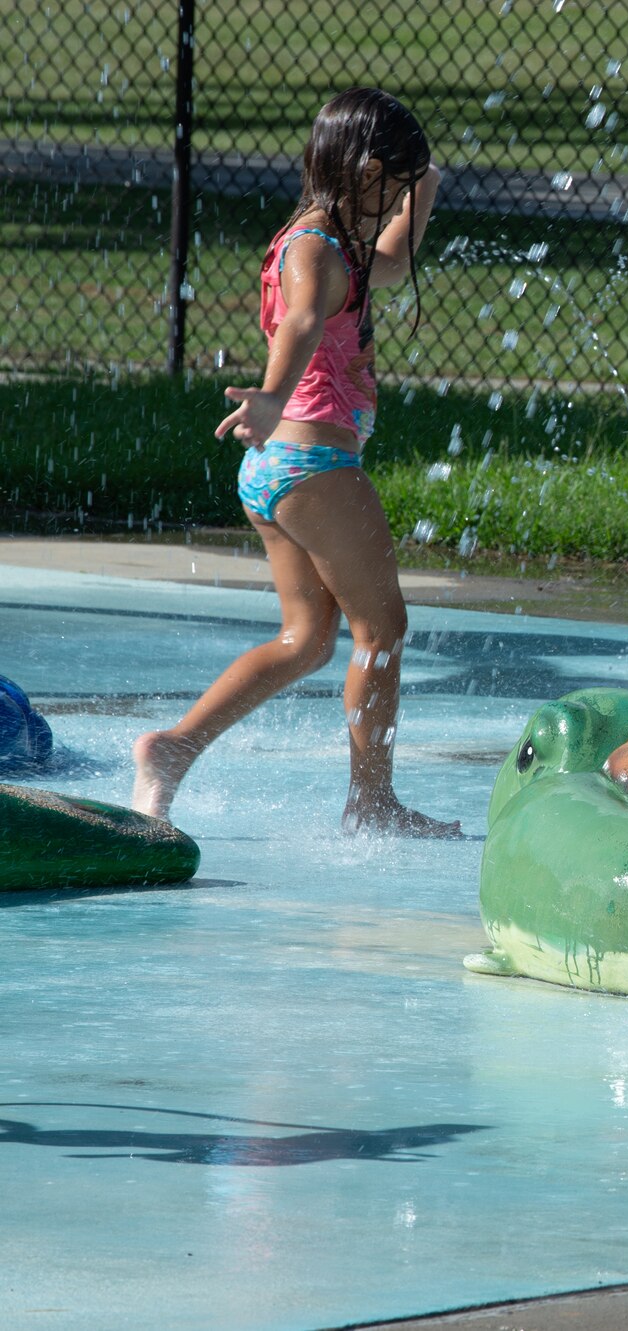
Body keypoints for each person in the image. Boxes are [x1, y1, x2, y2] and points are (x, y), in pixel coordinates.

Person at [132, 88, 457, 838]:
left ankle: (171, 751)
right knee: (383, 629)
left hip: (282, 472)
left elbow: (396, 263)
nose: (399, 201)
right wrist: (275, 395)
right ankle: (372, 804)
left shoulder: (333, 241)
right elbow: (306, 320)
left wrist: (427, 187)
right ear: (368, 173)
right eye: (397, 186)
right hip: (313, 465)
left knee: (306, 640)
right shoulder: (313, 246)